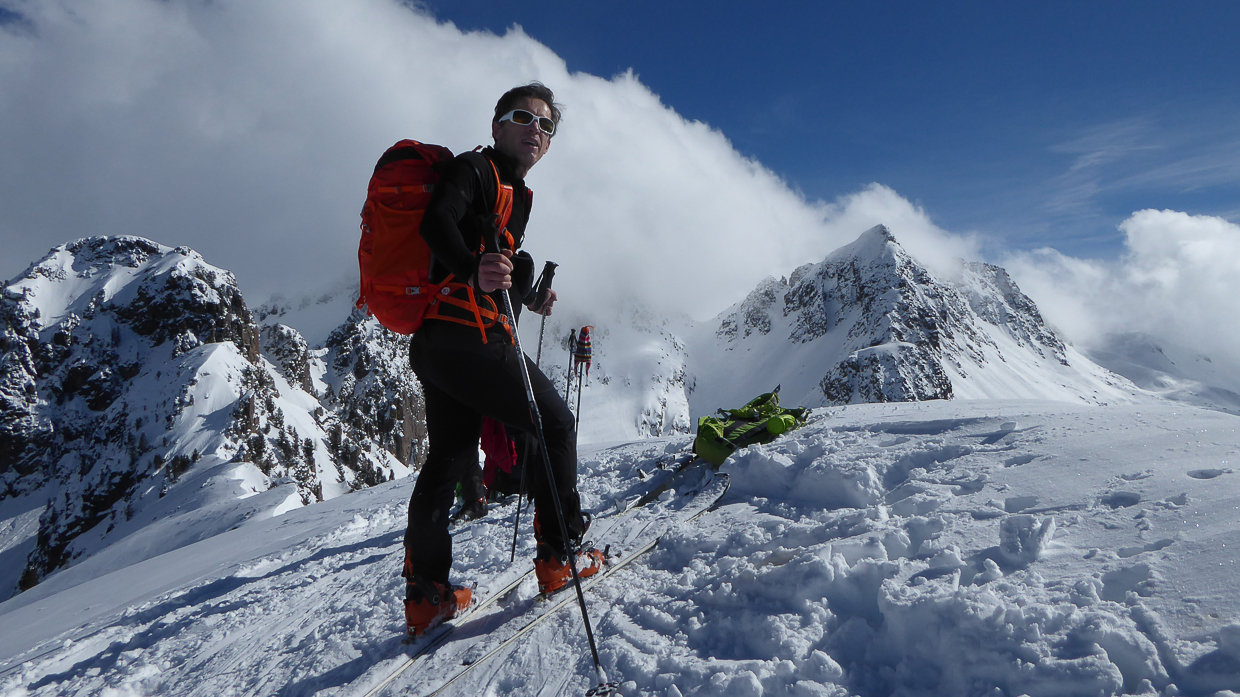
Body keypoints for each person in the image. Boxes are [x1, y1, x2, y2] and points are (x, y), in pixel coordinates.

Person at [401, 83, 604, 636]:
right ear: (497, 126)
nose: (535, 129)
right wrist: (472, 269)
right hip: (471, 339)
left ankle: (427, 597)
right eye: (523, 117)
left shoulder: (517, 194)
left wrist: (527, 296)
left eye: (546, 124)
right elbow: (436, 223)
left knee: (449, 458)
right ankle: (560, 558)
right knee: (555, 424)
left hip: (438, 343)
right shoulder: (474, 169)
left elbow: (492, 264)